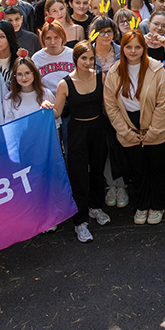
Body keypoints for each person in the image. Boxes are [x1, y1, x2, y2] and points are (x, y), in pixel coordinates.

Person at [103, 30, 165, 225]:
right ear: (122, 48)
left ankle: (157, 205)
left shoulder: (156, 69)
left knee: (157, 168)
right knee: (138, 170)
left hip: (155, 125)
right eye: (128, 47)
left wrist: (154, 131)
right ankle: (142, 205)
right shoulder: (114, 71)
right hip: (129, 125)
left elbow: (164, 102)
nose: (133, 51)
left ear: (144, 48)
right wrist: (125, 132)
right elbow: (111, 106)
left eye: (137, 47)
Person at [53, 43, 108, 241]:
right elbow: (57, 112)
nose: (88, 62)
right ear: (75, 59)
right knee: (78, 175)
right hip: (77, 131)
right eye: (83, 58)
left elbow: (107, 105)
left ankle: (96, 206)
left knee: (97, 171)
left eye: (91, 58)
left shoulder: (100, 77)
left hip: (98, 128)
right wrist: (45, 106)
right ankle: (80, 221)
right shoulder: (65, 84)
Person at [4, 54, 56, 122]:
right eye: (19, 74)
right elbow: (9, 126)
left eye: (27, 73)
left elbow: (55, 122)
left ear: (34, 73)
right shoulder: (9, 99)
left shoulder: (46, 94)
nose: (24, 78)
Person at [31, 21, 76, 96]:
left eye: (56, 37)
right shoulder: (37, 58)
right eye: (48, 38)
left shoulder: (73, 54)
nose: (52, 42)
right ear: (43, 39)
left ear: (62, 37)